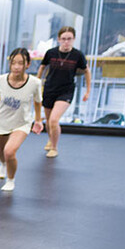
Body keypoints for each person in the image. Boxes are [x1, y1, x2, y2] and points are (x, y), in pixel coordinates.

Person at [0, 48, 44, 192]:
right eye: (13, 63)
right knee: (1, 149)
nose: (16, 66)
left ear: (28, 64)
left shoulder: (35, 83)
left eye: (20, 63)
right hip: (2, 120)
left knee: (9, 151)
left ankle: (11, 180)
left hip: (22, 122)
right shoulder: (0, 80)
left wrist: (38, 120)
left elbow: (37, 101)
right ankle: (3, 165)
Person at [36, 26, 91, 158]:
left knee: (54, 120)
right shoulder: (51, 53)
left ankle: (54, 147)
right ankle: (51, 139)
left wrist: (88, 90)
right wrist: (36, 84)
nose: (66, 42)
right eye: (64, 39)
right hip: (49, 89)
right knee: (49, 121)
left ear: (74, 39)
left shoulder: (77, 55)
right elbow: (42, 68)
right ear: (59, 39)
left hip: (66, 91)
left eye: (69, 39)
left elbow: (86, 71)